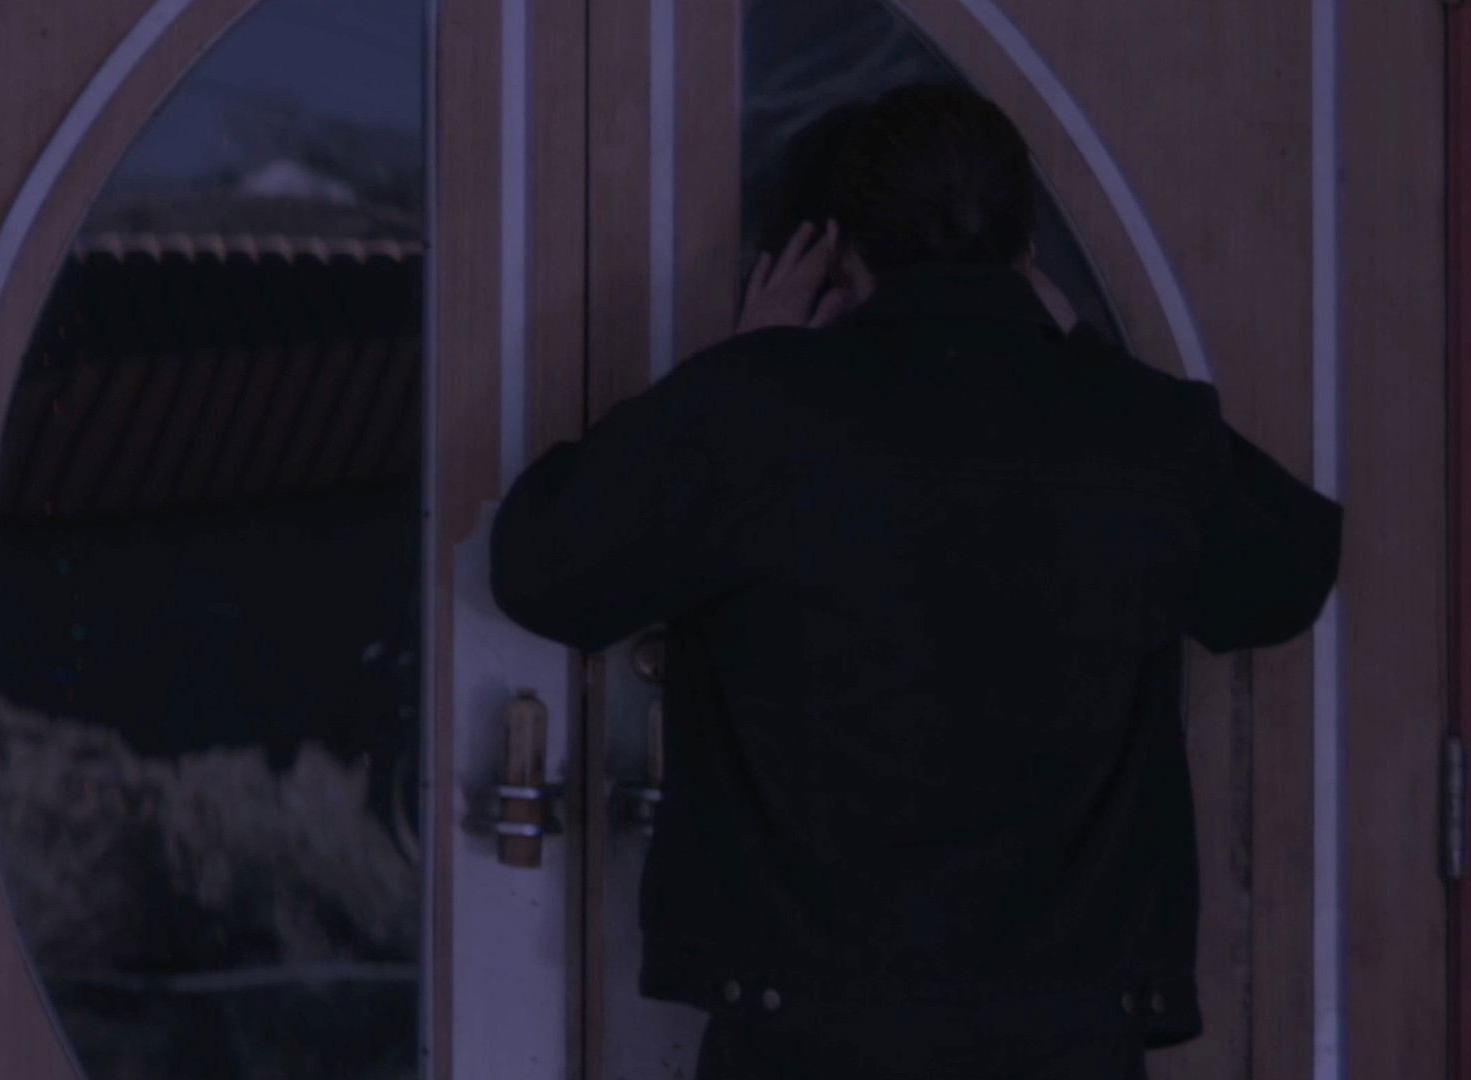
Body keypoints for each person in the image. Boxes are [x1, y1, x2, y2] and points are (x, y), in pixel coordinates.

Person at [489, 82, 1340, 1080]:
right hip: (1067, 1035)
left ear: (841, 254)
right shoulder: (1136, 432)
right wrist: (1085, 352)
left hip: (804, 1034)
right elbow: (1286, 577)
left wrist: (743, 365)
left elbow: (541, 571)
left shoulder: (755, 414)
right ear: (1027, 249)